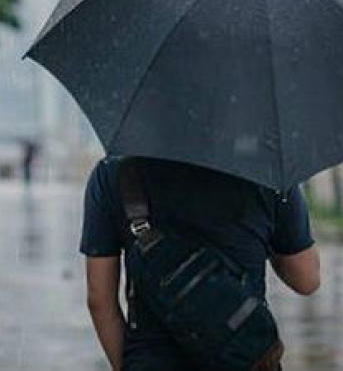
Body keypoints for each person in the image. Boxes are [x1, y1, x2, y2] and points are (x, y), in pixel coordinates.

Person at [81, 156, 321, 371]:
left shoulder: (114, 172)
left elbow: (99, 299)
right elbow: (306, 279)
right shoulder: (267, 170)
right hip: (243, 355)